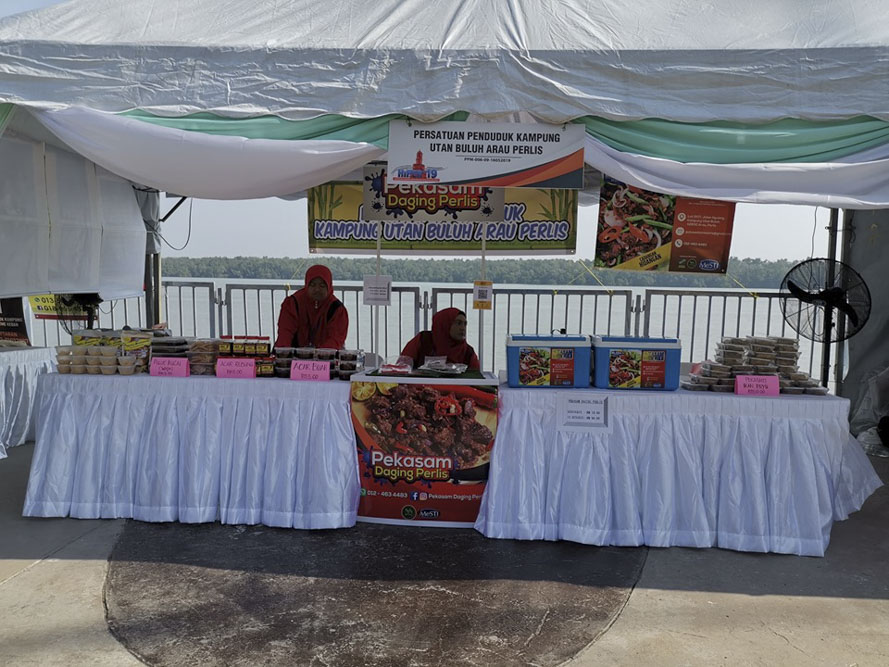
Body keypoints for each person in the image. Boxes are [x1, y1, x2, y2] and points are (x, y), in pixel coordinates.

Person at [274, 265, 348, 349]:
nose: (317, 289)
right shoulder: (292, 303)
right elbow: (285, 334)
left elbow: (335, 340)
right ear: (306, 285)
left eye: (322, 286)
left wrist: (318, 355)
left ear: (329, 286)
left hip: (328, 354)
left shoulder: (337, 309)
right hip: (293, 352)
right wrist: (283, 353)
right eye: (312, 285)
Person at [400, 307, 480, 370]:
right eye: (458, 323)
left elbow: (476, 379)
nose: (463, 328)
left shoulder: (468, 352)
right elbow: (402, 367)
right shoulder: (423, 340)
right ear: (444, 324)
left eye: (465, 324)